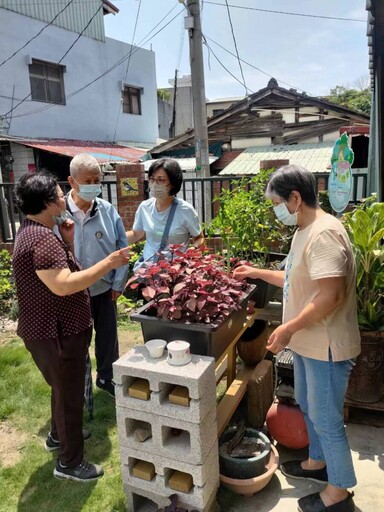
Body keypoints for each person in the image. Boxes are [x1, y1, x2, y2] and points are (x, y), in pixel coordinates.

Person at [234, 165, 360, 512]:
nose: (277, 210)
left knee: (326, 417)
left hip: (327, 346)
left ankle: (339, 492)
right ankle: (318, 464)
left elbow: (328, 296)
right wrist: (254, 272)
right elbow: (293, 278)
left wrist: (287, 328)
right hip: (309, 343)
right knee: (308, 404)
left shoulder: (324, 233)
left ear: (295, 198)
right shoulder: (304, 230)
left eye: (277, 202)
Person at [12, 172, 131, 482]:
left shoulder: (36, 231)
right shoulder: (40, 238)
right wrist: (108, 263)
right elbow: (64, 286)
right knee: (69, 395)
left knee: (62, 389)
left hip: (53, 330)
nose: (64, 197)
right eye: (59, 193)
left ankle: (57, 436)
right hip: (57, 333)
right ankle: (69, 462)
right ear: (50, 202)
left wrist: (65, 242)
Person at [66, 154, 129, 397]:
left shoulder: (107, 210)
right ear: (72, 182)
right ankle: (77, 386)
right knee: (76, 342)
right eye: (87, 180)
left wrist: (118, 282)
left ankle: (106, 378)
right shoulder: (60, 213)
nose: (93, 185)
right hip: (72, 292)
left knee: (107, 338)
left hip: (104, 289)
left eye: (97, 180)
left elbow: (122, 248)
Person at [126, 158, 204, 270]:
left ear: (173, 183)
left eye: (161, 180)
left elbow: (199, 238)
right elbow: (136, 234)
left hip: (176, 272)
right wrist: (112, 238)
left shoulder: (185, 210)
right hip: (150, 273)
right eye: (152, 179)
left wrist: (192, 251)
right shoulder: (145, 207)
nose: (154, 184)